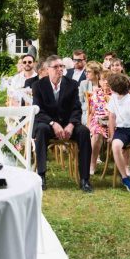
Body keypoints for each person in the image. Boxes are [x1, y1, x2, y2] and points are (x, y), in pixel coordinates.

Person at [32, 55, 93, 193]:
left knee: (84, 132)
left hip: (68, 124)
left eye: (62, 66)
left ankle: (85, 179)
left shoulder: (71, 84)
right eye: (56, 67)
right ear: (47, 69)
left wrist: (71, 125)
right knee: (40, 130)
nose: (60, 69)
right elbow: (38, 111)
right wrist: (53, 123)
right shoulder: (38, 86)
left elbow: (76, 108)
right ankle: (41, 176)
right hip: (47, 124)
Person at [88, 70, 112, 176]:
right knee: (97, 134)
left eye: (108, 80)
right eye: (103, 80)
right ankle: (92, 165)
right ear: (100, 81)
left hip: (113, 122)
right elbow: (92, 112)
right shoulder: (96, 93)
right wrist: (88, 126)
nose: (106, 82)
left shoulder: (117, 94)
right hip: (98, 121)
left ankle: (124, 167)